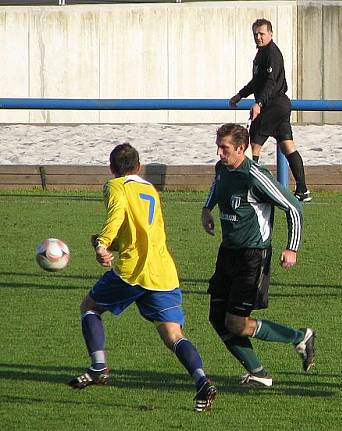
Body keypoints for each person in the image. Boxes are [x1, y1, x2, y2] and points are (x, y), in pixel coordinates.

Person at [68, 143, 217, 412]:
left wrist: (102, 244)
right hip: (163, 272)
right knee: (173, 335)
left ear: (112, 169)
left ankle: (99, 366)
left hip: (133, 271)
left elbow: (116, 217)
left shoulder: (115, 186)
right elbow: (144, 232)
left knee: (89, 307)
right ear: (139, 167)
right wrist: (112, 244)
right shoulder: (150, 190)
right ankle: (202, 381)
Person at [201, 123, 315, 387]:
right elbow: (216, 186)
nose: (219, 153)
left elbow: (294, 207)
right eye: (218, 146)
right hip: (227, 252)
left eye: (224, 148)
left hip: (253, 257)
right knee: (217, 319)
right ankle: (259, 373)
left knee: (237, 323)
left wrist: (292, 248)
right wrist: (206, 209)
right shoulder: (222, 168)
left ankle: (298, 337)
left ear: (241, 148)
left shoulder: (255, 176)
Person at [229, 18, 311, 202]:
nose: (258, 37)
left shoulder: (272, 53)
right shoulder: (261, 54)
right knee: (288, 145)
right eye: (256, 34)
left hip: (273, 105)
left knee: (253, 145)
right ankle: (303, 190)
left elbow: (270, 83)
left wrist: (259, 103)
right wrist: (240, 95)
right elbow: (257, 82)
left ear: (270, 34)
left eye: (262, 34)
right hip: (279, 105)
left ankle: (249, 188)